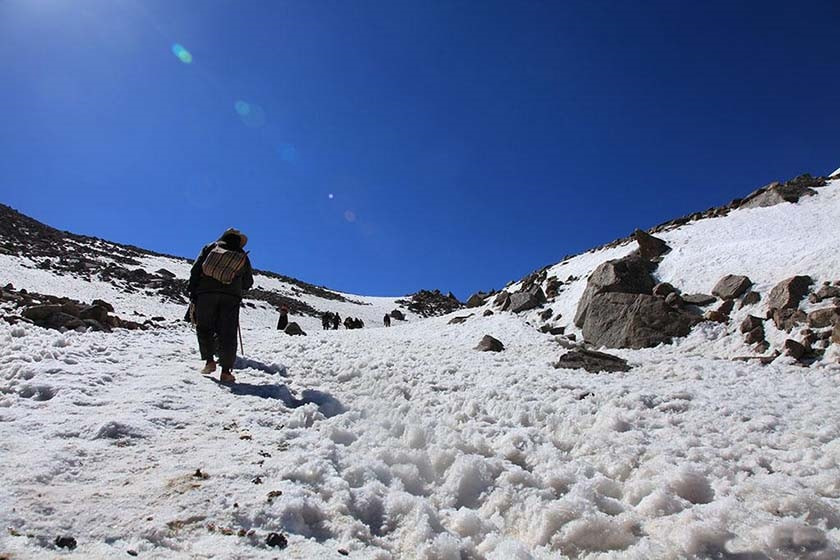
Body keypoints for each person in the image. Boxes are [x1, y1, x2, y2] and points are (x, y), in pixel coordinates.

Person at [188, 228, 253, 384]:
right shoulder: (241, 255)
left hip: (206, 293)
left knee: (204, 327)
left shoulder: (210, 247)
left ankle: (209, 361)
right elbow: (248, 282)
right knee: (228, 332)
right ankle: (225, 372)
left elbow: (195, 269)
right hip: (231, 297)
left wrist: (193, 292)